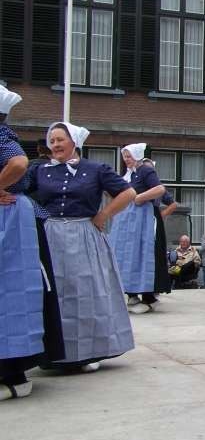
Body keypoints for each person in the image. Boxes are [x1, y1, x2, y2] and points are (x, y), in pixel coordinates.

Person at [28, 122, 135, 372]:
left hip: (84, 235)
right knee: (54, 293)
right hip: (51, 236)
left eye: (60, 139)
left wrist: (103, 215)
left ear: (74, 142)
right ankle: (53, 352)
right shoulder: (40, 170)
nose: (55, 145)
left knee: (85, 292)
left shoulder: (95, 169)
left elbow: (128, 193)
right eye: (52, 140)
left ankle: (88, 352)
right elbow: (18, 189)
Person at [0, 87, 64, 400]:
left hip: (9, 219)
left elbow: (18, 163)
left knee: (12, 291)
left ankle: (14, 374)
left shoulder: (2, 137)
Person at [109, 143, 169, 314]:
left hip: (140, 220)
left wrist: (139, 197)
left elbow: (160, 189)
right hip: (126, 222)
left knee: (140, 254)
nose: (126, 159)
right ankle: (132, 295)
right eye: (125, 157)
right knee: (126, 254)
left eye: (129, 156)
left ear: (137, 155)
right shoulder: (128, 174)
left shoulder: (145, 171)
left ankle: (143, 295)